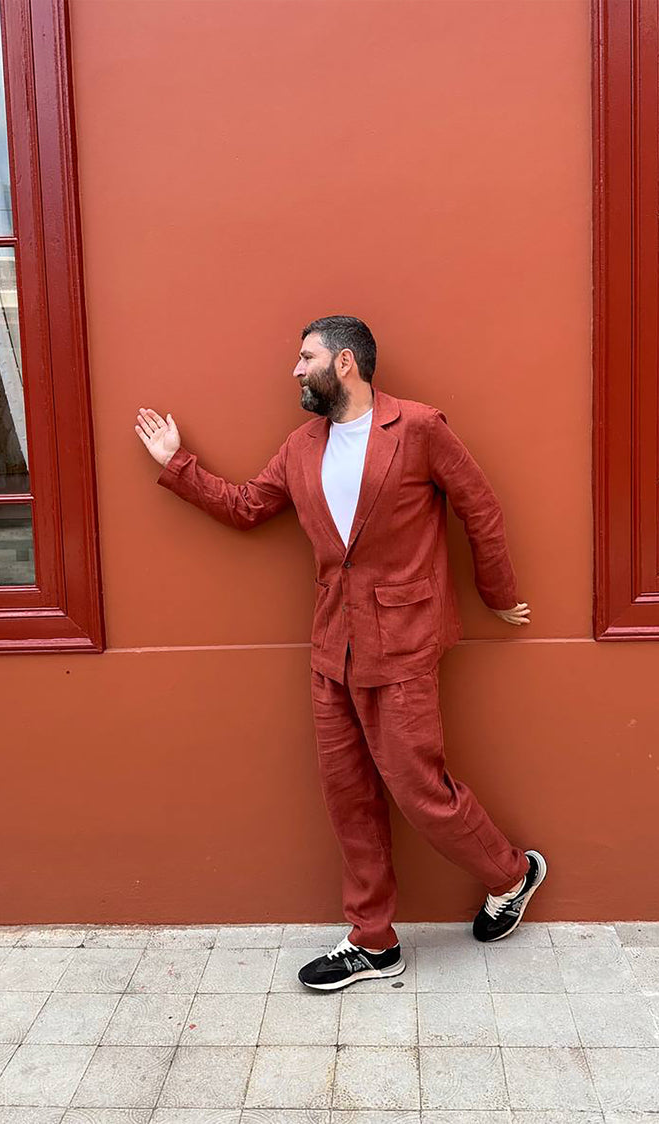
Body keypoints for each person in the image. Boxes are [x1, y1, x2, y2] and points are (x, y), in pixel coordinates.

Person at [135, 314, 547, 992]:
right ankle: (373, 941)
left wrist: (497, 594)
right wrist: (178, 465)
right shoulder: (301, 447)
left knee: (420, 791)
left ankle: (512, 874)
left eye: (306, 358)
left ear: (347, 363)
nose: (295, 371)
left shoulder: (418, 428)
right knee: (348, 798)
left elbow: (480, 508)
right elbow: (246, 507)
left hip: (403, 645)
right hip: (332, 648)